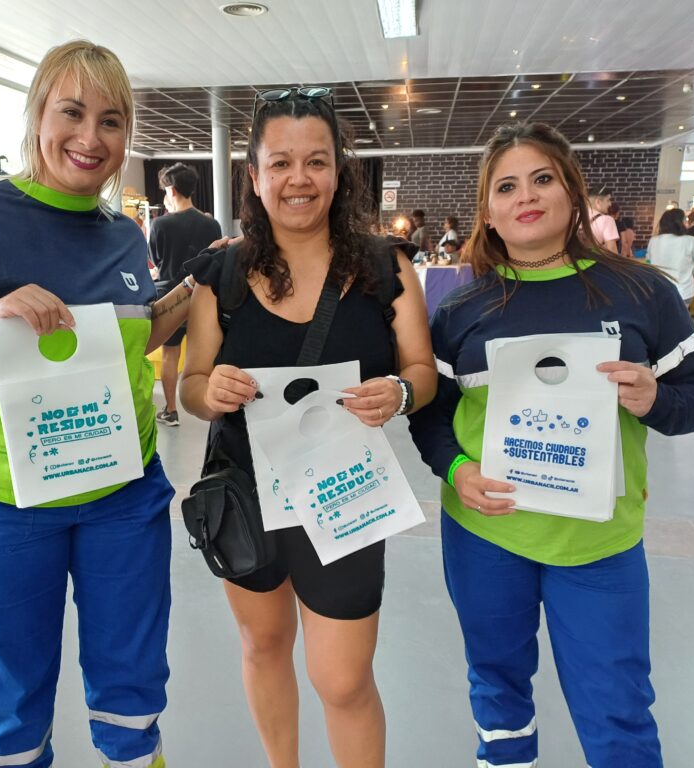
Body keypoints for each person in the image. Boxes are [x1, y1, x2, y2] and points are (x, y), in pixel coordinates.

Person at [0, 40, 192, 768]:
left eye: (111, 121)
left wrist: (199, 286)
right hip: (7, 501)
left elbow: (135, 333)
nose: (91, 137)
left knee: (133, 694)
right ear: (36, 117)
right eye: (73, 113)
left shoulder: (123, 235)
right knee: (11, 714)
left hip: (123, 494)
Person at [407, 122, 694, 768]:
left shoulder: (641, 292)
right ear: (487, 212)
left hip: (598, 541)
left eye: (542, 179)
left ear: (572, 192)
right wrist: (457, 469)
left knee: (617, 706)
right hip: (486, 533)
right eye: (506, 187)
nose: (526, 196)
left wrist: (654, 400)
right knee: (496, 686)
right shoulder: (461, 310)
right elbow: (431, 416)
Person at [179, 86, 436, 768]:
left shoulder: (384, 268)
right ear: (255, 175)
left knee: (343, 679)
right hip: (246, 494)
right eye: (281, 163)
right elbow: (191, 384)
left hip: (345, 493)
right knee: (263, 646)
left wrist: (401, 392)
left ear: (339, 171)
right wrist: (211, 391)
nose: (300, 178)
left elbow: (421, 368)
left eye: (317, 161)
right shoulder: (222, 275)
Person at [149, 162, 222, 427]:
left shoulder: (160, 225)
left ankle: (171, 410)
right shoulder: (211, 224)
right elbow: (217, 258)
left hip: (170, 296)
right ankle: (212, 404)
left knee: (170, 355)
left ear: (171, 190)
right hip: (206, 295)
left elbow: (156, 260)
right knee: (208, 354)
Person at [646, 208, 694, 308]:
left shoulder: (653, 241)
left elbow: (649, 263)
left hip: (659, 289)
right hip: (684, 290)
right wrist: (692, 272)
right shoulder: (690, 240)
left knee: (661, 316)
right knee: (680, 316)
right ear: (680, 223)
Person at [587, 184, 618, 252]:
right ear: (598, 202)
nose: (610, 204)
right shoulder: (606, 220)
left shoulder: (575, 216)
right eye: (608, 200)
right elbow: (612, 249)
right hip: (595, 258)